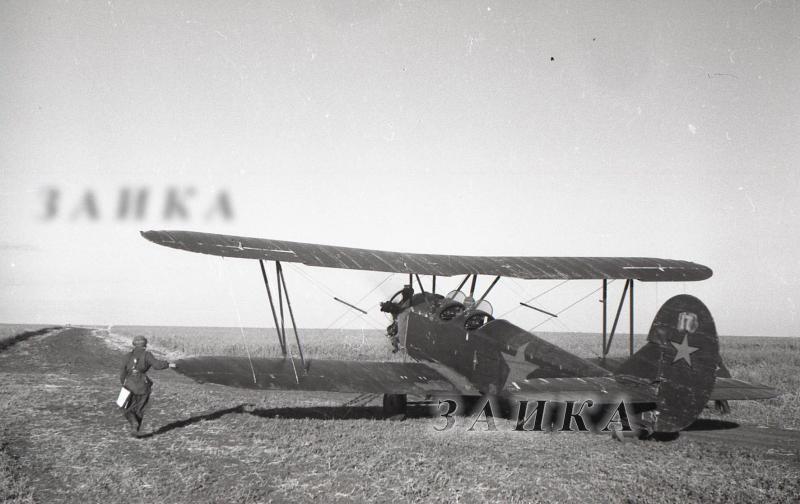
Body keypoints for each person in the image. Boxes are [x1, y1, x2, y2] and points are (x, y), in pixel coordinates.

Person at [119, 335, 175, 437]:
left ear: (133, 344)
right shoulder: (147, 355)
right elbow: (157, 365)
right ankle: (136, 430)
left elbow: (122, 373)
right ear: (145, 344)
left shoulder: (127, 356)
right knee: (140, 409)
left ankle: (133, 424)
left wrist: (124, 384)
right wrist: (168, 364)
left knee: (124, 407)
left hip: (129, 385)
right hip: (143, 385)